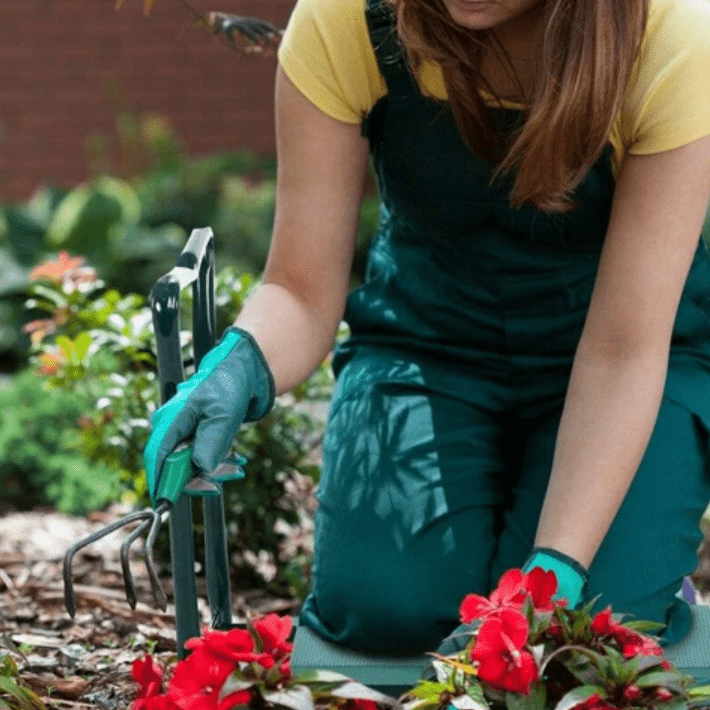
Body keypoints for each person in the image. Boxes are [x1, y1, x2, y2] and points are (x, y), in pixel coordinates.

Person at [143, 0, 710, 656]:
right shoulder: (347, 20)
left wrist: (557, 566)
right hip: (429, 343)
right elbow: (298, 290)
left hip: (628, 360)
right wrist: (238, 364)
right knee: (388, 610)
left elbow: (622, 347)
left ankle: (635, 557)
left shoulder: (668, 35)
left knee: (586, 633)